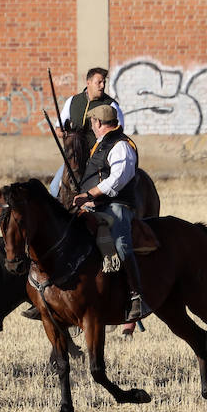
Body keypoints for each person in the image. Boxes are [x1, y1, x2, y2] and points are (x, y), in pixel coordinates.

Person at [72, 104, 148, 322]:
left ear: (98, 123)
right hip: (95, 205)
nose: (91, 126)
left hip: (117, 205)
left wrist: (91, 193)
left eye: (92, 123)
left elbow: (118, 178)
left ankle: (136, 296)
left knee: (121, 244)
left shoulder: (121, 145)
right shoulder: (100, 144)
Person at [50, 67, 125, 198]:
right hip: (75, 158)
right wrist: (63, 133)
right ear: (88, 82)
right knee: (54, 188)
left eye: (104, 83)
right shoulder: (73, 101)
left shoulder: (111, 106)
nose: (102, 86)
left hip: (98, 160)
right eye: (99, 82)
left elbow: (119, 134)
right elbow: (58, 128)